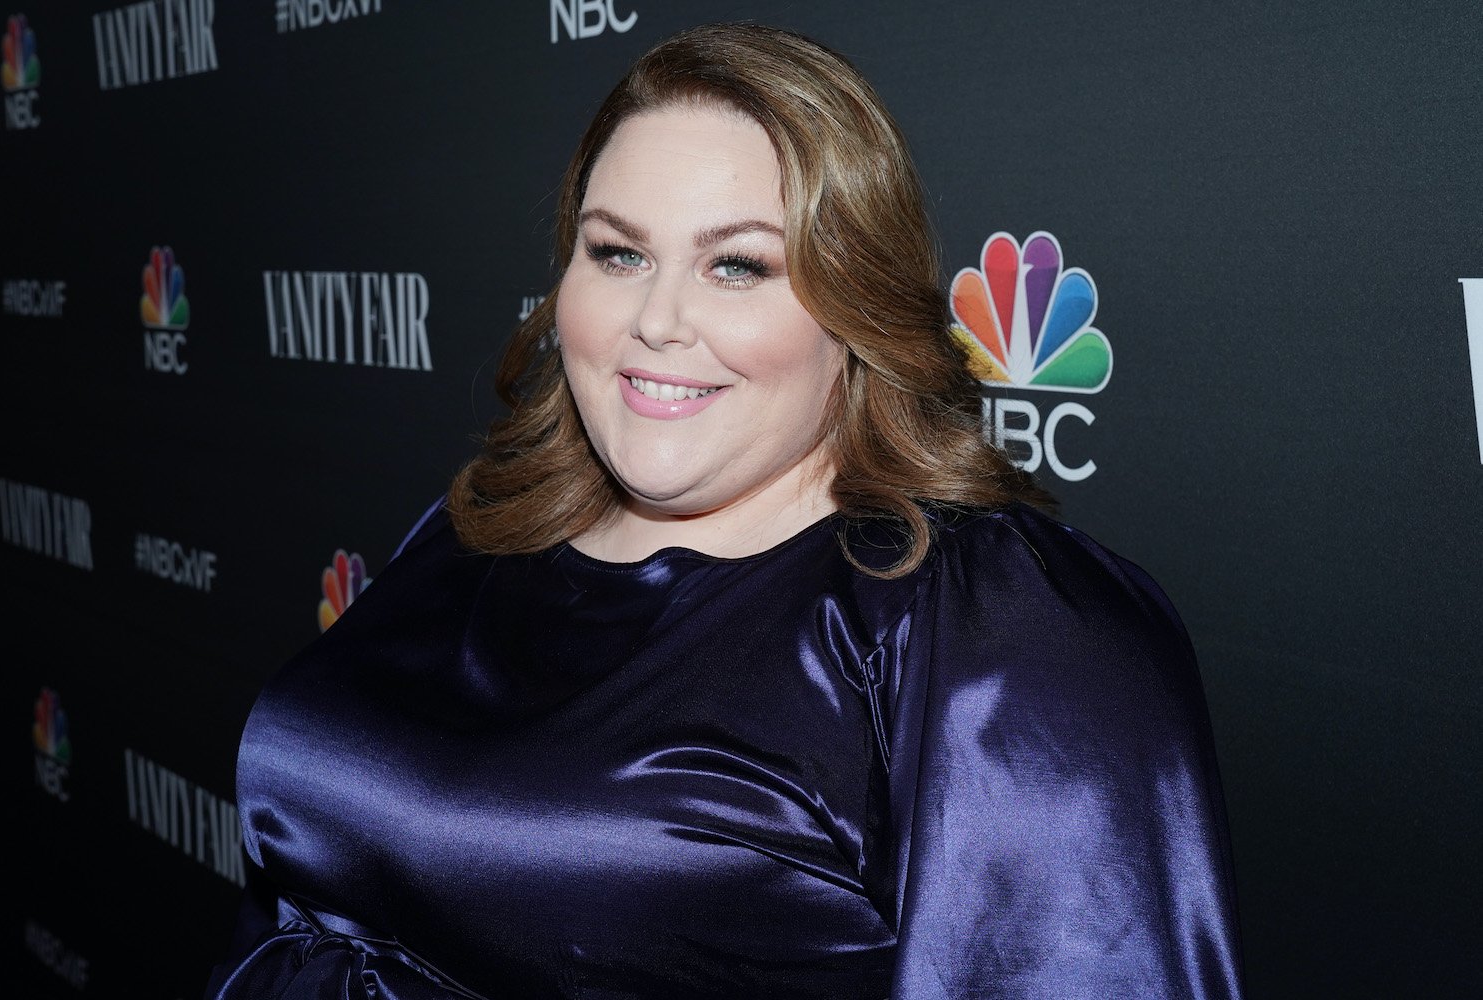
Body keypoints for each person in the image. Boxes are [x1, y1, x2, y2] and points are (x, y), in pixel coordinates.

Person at [206, 22, 1243, 1000]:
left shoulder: (991, 630)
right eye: (618, 253)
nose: (657, 319)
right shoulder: (474, 532)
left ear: (859, 307)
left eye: (736, 265)